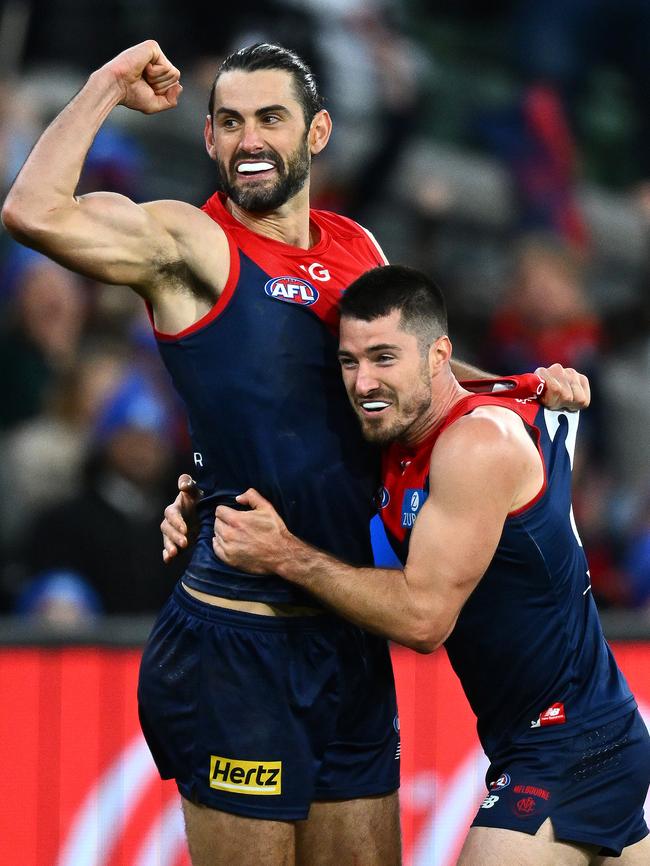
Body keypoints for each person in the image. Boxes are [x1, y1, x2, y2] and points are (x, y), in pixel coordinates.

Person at [2, 41, 590, 865]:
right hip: (239, 649)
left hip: (348, 633)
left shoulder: (356, 246)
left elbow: (413, 373)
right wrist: (104, 83)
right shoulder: (190, 247)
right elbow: (32, 211)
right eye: (230, 122)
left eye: (270, 119)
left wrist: (515, 387)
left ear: (316, 133)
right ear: (206, 139)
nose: (249, 140)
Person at [210, 265, 650, 866]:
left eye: (384, 357)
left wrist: (284, 555)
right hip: (553, 733)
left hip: (571, 741)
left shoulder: (474, 446)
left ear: (440, 354)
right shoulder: (400, 429)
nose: (363, 381)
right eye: (348, 361)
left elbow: (424, 620)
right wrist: (191, 497)